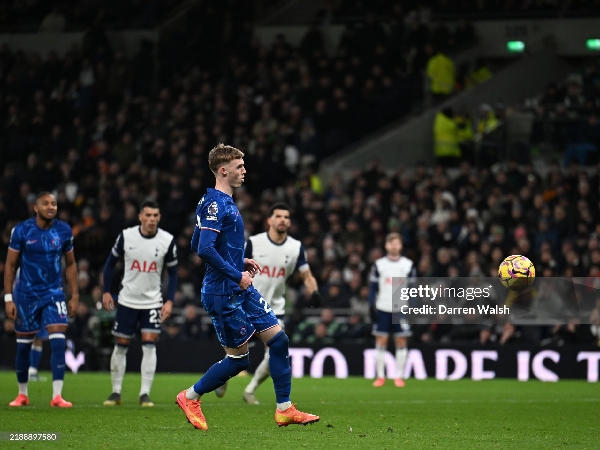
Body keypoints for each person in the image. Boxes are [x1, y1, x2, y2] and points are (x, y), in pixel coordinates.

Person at [176, 143, 319, 430]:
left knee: (279, 340)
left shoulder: (220, 202)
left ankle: (284, 408)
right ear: (224, 170)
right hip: (222, 291)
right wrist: (236, 273)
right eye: (240, 167)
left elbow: (197, 242)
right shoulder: (216, 203)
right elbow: (203, 249)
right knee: (240, 360)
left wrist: (238, 259)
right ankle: (190, 396)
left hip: (239, 287)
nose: (245, 171)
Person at [223, 202, 321, 404]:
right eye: (278, 216)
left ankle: (250, 390)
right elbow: (235, 266)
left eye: (286, 216)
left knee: (276, 350)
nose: (282, 220)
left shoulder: (295, 247)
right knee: (236, 352)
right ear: (269, 220)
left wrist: (315, 291)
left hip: (274, 308)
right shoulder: (254, 243)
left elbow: (306, 273)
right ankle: (222, 374)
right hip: (247, 303)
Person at [4, 192, 79, 407]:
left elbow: (71, 264)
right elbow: (10, 265)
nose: (51, 207)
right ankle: (22, 394)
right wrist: (9, 298)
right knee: (24, 346)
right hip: (26, 294)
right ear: (35, 208)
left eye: (54, 203)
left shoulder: (64, 230)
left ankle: (57, 396)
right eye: (45, 203)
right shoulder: (22, 230)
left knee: (58, 341)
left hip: (54, 292)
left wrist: (74, 295)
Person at [102, 200, 178, 407]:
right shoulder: (127, 236)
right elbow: (110, 263)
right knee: (121, 345)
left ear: (159, 217)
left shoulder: (167, 240)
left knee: (149, 344)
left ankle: (145, 394)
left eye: (155, 215)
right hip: (127, 300)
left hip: (152, 302)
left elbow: (173, 273)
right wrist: (106, 291)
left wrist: (170, 300)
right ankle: (116, 392)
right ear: (140, 217)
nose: (152, 219)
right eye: (148, 215)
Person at [369, 232, 415, 388]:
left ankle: (399, 376)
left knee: (401, 340)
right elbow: (373, 287)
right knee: (381, 340)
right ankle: (380, 376)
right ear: (386, 245)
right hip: (383, 307)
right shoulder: (379, 264)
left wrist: (413, 307)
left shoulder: (408, 265)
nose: (394, 246)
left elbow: (413, 288)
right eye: (391, 243)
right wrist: (371, 305)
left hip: (401, 307)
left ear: (401, 245)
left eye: (397, 243)